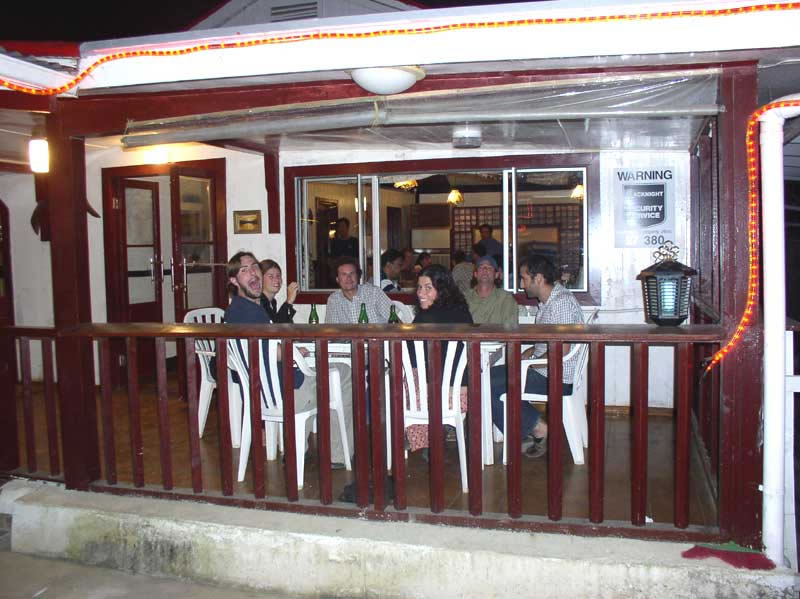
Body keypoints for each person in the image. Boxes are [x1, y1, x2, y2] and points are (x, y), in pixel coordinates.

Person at [225, 252, 354, 468]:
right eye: (244, 270)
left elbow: (265, 347)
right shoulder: (250, 313)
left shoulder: (236, 310)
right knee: (343, 372)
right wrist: (293, 352)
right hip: (285, 391)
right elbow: (272, 350)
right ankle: (338, 455)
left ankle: (296, 450)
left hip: (267, 390)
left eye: (255, 267)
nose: (253, 273)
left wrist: (290, 351)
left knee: (324, 377)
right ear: (234, 280)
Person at [489, 255, 583, 458]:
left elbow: (561, 350)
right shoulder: (551, 301)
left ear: (538, 278)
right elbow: (553, 342)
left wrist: (530, 364)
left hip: (554, 377)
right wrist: (532, 351)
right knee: (485, 378)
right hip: (546, 370)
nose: (521, 284)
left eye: (524, 278)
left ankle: (535, 428)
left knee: (483, 383)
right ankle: (532, 424)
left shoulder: (560, 303)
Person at [405, 264, 473, 456]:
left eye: (428, 288)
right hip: (464, 391)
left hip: (440, 394)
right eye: (419, 287)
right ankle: (434, 434)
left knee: (401, 378)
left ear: (441, 289)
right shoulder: (461, 310)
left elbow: (409, 351)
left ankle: (426, 439)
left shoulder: (426, 317)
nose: (421, 293)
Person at [325, 257, 393, 324]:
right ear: (337, 279)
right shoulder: (334, 299)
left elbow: (395, 319)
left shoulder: (374, 293)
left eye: (352, 273)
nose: (348, 278)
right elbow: (332, 328)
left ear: (358, 276)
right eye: (344, 274)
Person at [465, 255, 519, 325]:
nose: (485, 269)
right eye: (481, 267)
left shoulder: (505, 298)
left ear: (496, 274)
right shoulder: (465, 298)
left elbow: (511, 328)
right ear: (475, 274)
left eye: (489, 267)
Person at [259, 259, 297, 323]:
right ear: (260, 279)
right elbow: (277, 326)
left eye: (278, 276)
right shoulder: (259, 302)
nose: (276, 280)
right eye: (271, 276)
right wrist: (289, 301)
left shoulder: (272, 302)